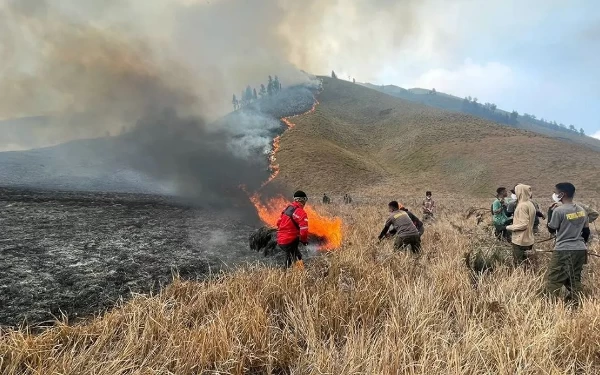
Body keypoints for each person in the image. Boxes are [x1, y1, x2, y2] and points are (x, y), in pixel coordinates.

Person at [546, 182, 590, 306]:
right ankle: (577, 305)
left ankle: (548, 307)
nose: (554, 194)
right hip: (580, 250)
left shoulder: (558, 211)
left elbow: (551, 229)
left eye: (555, 192)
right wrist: (580, 243)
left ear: (562, 194)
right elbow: (586, 231)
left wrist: (550, 212)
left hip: (563, 250)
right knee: (574, 279)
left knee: (554, 280)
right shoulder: (582, 210)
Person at [277, 191, 309, 269]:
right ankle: (288, 276)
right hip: (290, 241)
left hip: (280, 240)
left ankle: (295, 273)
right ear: (303, 200)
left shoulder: (287, 209)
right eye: (305, 200)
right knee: (293, 259)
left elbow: (278, 223)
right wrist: (304, 241)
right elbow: (304, 231)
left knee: (296, 256)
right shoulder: (301, 213)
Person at [506, 184, 536, 267]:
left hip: (520, 240)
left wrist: (508, 227)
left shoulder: (522, 206)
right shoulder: (530, 204)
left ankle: (521, 277)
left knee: (519, 264)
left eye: (516, 192)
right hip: (529, 238)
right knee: (527, 263)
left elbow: (523, 225)